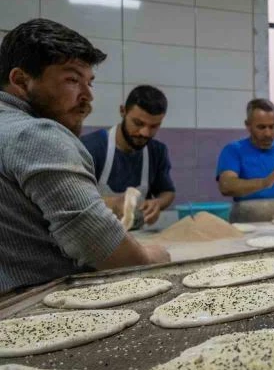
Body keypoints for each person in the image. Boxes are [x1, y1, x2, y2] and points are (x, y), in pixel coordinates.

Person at [0, 19, 170, 294]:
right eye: (72, 80)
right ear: (21, 81)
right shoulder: (36, 135)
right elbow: (97, 241)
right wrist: (151, 257)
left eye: (89, 82)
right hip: (43, 303)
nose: (88, 96)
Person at [82, 86, 176, 228]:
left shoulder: (157, 151)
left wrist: (158, 203)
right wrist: (112, 204)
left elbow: (167, 192)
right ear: (123, 111)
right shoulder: (90, 147)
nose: (145, 133)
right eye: (138, 123)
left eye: (154, 126)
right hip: (94, 235)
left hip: (137, 236)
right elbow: (70, 198)